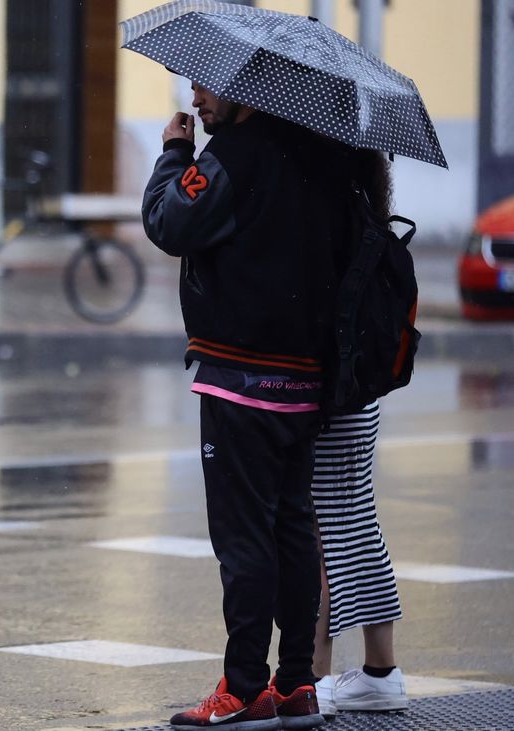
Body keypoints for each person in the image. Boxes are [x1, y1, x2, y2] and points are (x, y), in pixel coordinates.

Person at [142, 82, 359, 730]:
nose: (196, 99)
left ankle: (242, 687)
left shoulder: (236, 154)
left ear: (246, 90)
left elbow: (168, 223)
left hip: (241, 379)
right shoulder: (323, 156)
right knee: (292, 530)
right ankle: (297, 683)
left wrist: (175, 154)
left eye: (206, 86)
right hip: (304, 382)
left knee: (244, 539)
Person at [309, 153, 408, 715]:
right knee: (355, 518)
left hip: (328, 386)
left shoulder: (327, 218)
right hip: (361, 389)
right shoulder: (369, 212)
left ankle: (315, 678)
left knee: (318, 529)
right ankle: (380, 672)